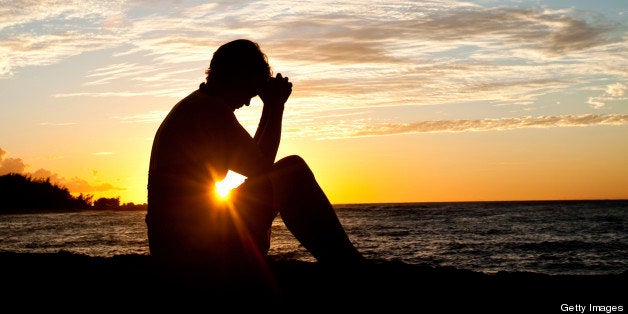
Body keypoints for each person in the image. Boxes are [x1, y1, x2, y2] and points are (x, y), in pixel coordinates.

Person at [145, 39, 364, 284]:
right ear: (237, 77)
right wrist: (275, 107)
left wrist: (271, 107)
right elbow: (262, 167)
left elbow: (254, 161)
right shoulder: (210, 112)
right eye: (250, 90)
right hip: (191, 250)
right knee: (293, 172)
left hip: (180, 243)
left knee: (287, 171)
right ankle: (349, 265)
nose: (249, 102)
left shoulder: (200, 105)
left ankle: (344, 262)